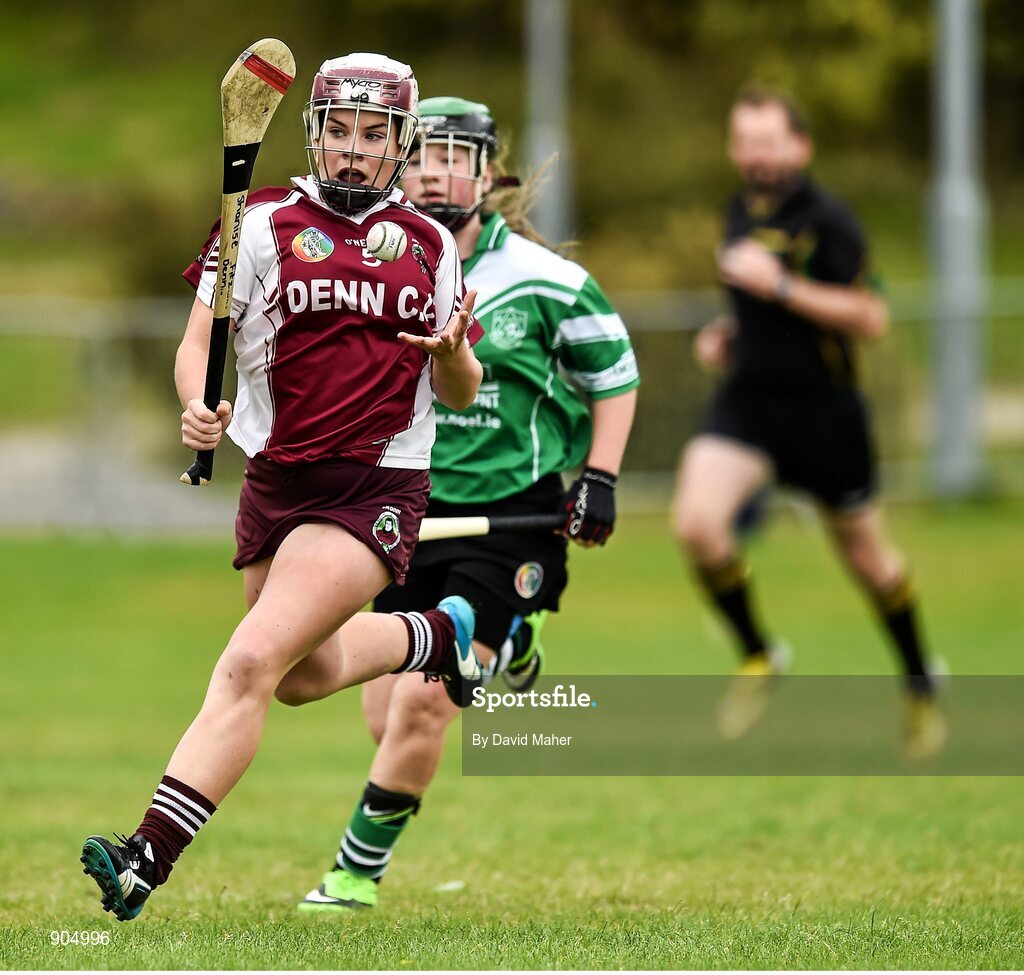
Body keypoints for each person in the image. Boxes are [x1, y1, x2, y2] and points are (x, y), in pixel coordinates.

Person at [79, 54, 488, 923]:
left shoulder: (428, 245)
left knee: (249, 662)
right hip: (274, 483)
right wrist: (197, 403)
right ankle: (433, 633)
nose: (352, 150)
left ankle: (144, 855)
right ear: (314, 133)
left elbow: (459, 389)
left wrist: (452, 351)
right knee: (304, 676)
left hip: (373, 487)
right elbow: (199, 344)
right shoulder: (259, 221)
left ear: (398, 142)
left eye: (372, 135)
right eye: (338, 131)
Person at [296, 96, 639, 912]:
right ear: (399, 165)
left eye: (460, 156)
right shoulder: (375, 267)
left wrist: (602, 475)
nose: (441, 170)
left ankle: (352, 876)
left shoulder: (548, 281)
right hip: (407, 512)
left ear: (487, 174)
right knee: (384, 715)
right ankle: (518, 652)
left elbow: (615, 375)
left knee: (424, 702)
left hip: (512, 516)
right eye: (427, 155)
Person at [672, 89, 946, 759]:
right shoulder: (737, 209)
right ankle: (760, 653)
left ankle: (920, 681)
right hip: (748, 403)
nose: (756, 156)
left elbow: (871, 317)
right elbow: (760, 308)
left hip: (824, 412)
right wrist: (732, 333)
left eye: (769, 142)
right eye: (745, 142)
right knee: (697, 524)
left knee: (869, 561)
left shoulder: (830, 220)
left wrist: (781, 288)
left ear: (800, 146)